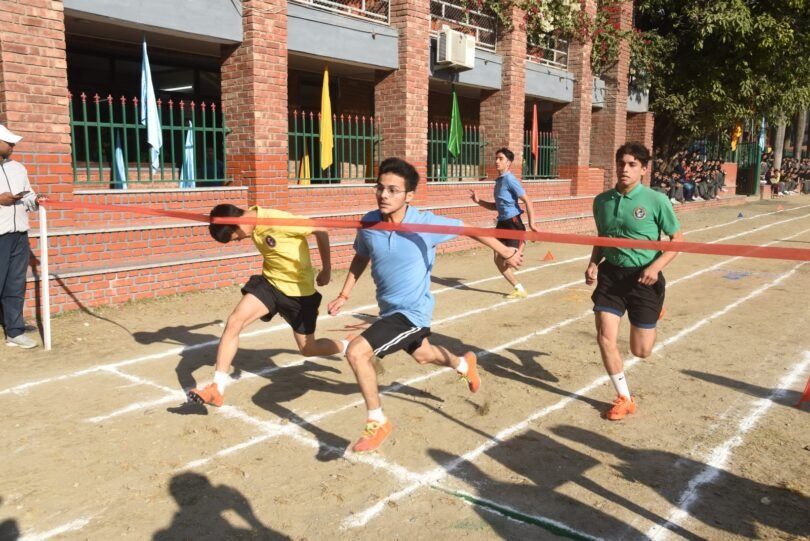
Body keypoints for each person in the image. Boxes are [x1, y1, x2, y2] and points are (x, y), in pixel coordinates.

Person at [327, 157, 523, 453]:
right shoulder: (369, 223)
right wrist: (344, 294)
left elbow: (469, 228)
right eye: (380, 188)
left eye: (393, 190)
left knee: (357, 352)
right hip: (389, 310)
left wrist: (505, 250)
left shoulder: (425, 223)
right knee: (423, 354)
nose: (383, 195)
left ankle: (376, 420)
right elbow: (361, 257)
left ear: (409, 196)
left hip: (412, 312)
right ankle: (463, 363)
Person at [187, 203, 348, 406]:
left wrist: (327, 269)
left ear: (238, 224)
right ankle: (217, 388)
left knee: (309, 349)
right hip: (270, 284)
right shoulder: (252, 225)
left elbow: (320, 228)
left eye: (236, 237)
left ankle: (349, 344)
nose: (239, 241)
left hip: (299, 294)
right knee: (235, 321)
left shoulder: (276, 221)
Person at [584, 142, 683, 421]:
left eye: (631, 164)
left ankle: (655, 309)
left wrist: (656, 266)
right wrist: (593, 262)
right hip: (611, 276)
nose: (624, 169)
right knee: (605, 337)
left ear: (643, 169)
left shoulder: (656, 201)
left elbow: (677, 240)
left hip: (644, 277)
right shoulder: (601, 201)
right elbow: (601, 238)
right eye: (621, 163)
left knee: (641, 351)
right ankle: (624, 398)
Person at [469, 148, 538, 298]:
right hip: (502, 223)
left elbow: (527, 200)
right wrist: (478, 201)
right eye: (496, 158)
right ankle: (518, 288)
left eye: (500, 158)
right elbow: (496, 206)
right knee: (497, 259)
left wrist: (532, 224)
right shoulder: (499, 181)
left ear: (508, 163)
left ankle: (521, 246)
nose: (496, 161)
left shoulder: (510, 180)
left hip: (513, 223)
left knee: (509, 259)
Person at [0, 124, 43, 349]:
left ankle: (14, 331)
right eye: (8, 142)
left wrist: (36, 200)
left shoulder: (19, 168)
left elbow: (28, 195)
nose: (13, 145)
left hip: (19, 234)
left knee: (16, 284)